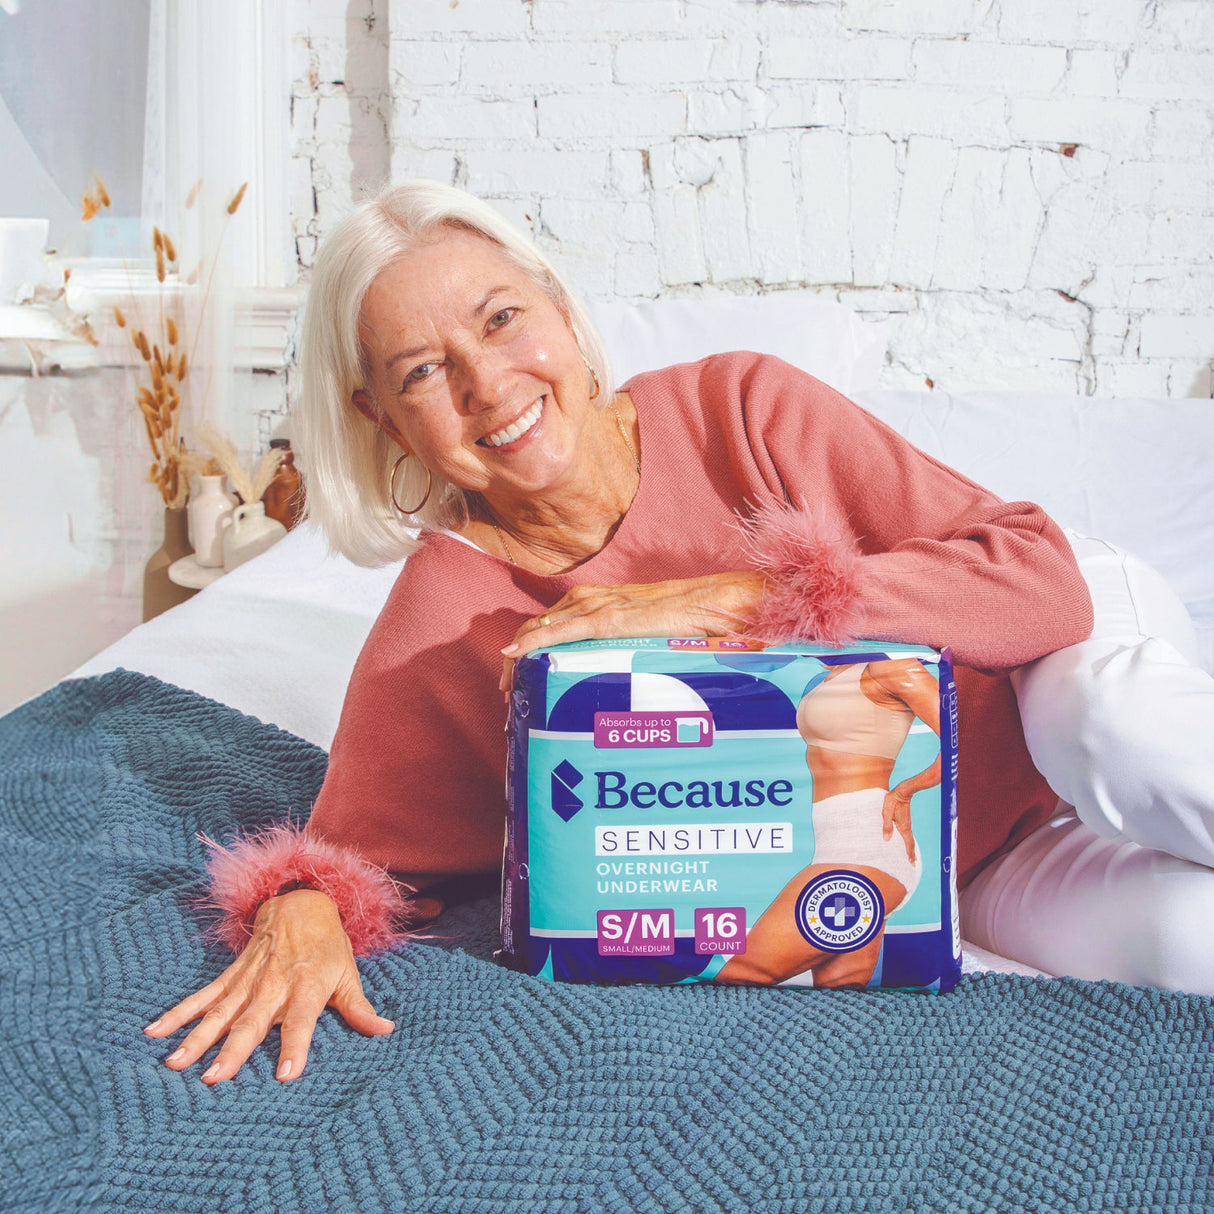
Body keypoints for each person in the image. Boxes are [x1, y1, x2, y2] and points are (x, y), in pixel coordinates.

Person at [142, 179, 1209, 1087]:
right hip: (957, 853)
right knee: (1180, 944)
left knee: (1119, 734)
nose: (485, 383)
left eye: (502, 317)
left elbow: (1034, 579)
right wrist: (301, 909)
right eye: (422, 371)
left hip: (1038, 668)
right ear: (380, 418)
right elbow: (349, 855)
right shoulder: (445, 618)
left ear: (559, 309)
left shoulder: (737, 405)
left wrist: (731, 600)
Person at [716, 658, 940, 988]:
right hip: (839, 849)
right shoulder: (828, 673)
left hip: (868, 850)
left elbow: (961, 733)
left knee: (742, 974)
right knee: (838, 1001)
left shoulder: (889, 668)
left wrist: (906, 792)